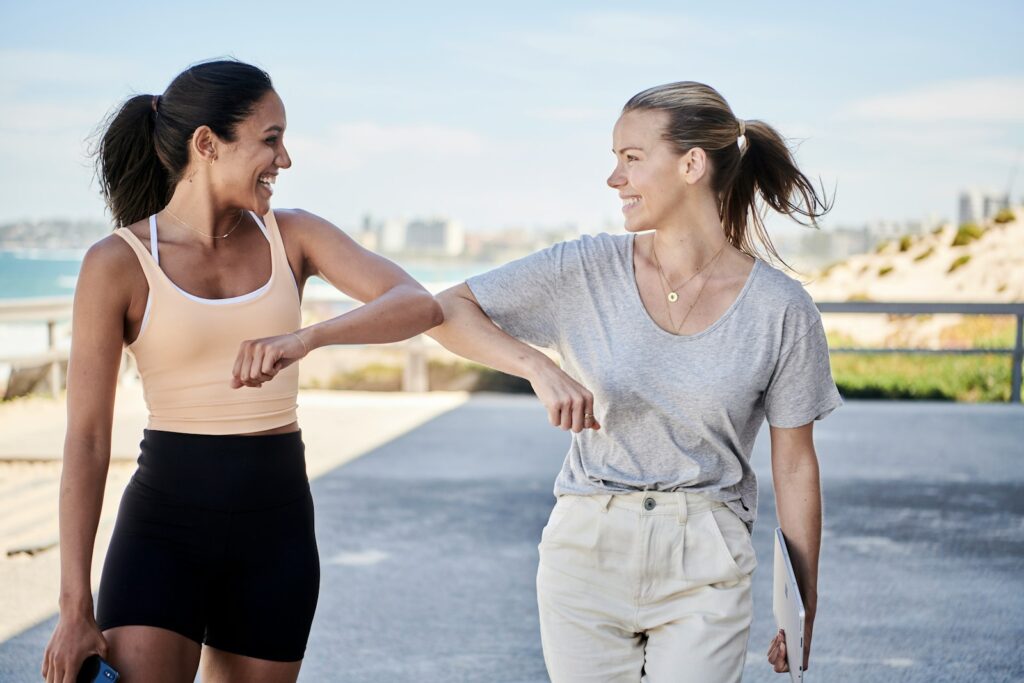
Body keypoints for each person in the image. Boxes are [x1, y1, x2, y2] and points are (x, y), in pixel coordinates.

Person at [41, 59, 443, 683]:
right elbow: (88, 440)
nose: (285, 160)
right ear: (207, 144)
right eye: (271, 139)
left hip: (275, 528)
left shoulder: (294, 236)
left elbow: (416, 302)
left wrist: (306, 338)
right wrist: (73, 607)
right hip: (163, 529)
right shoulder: (116, 263)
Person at [428, 81, 842, 682]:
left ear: (692, 164)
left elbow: (797, 465)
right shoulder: (584, 268)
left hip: (706, 556)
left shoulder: (781, 309)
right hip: (587, 548)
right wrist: (538, 367)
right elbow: (448, 310)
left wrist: (802, 603)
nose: (613, 179)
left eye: (631, 158)